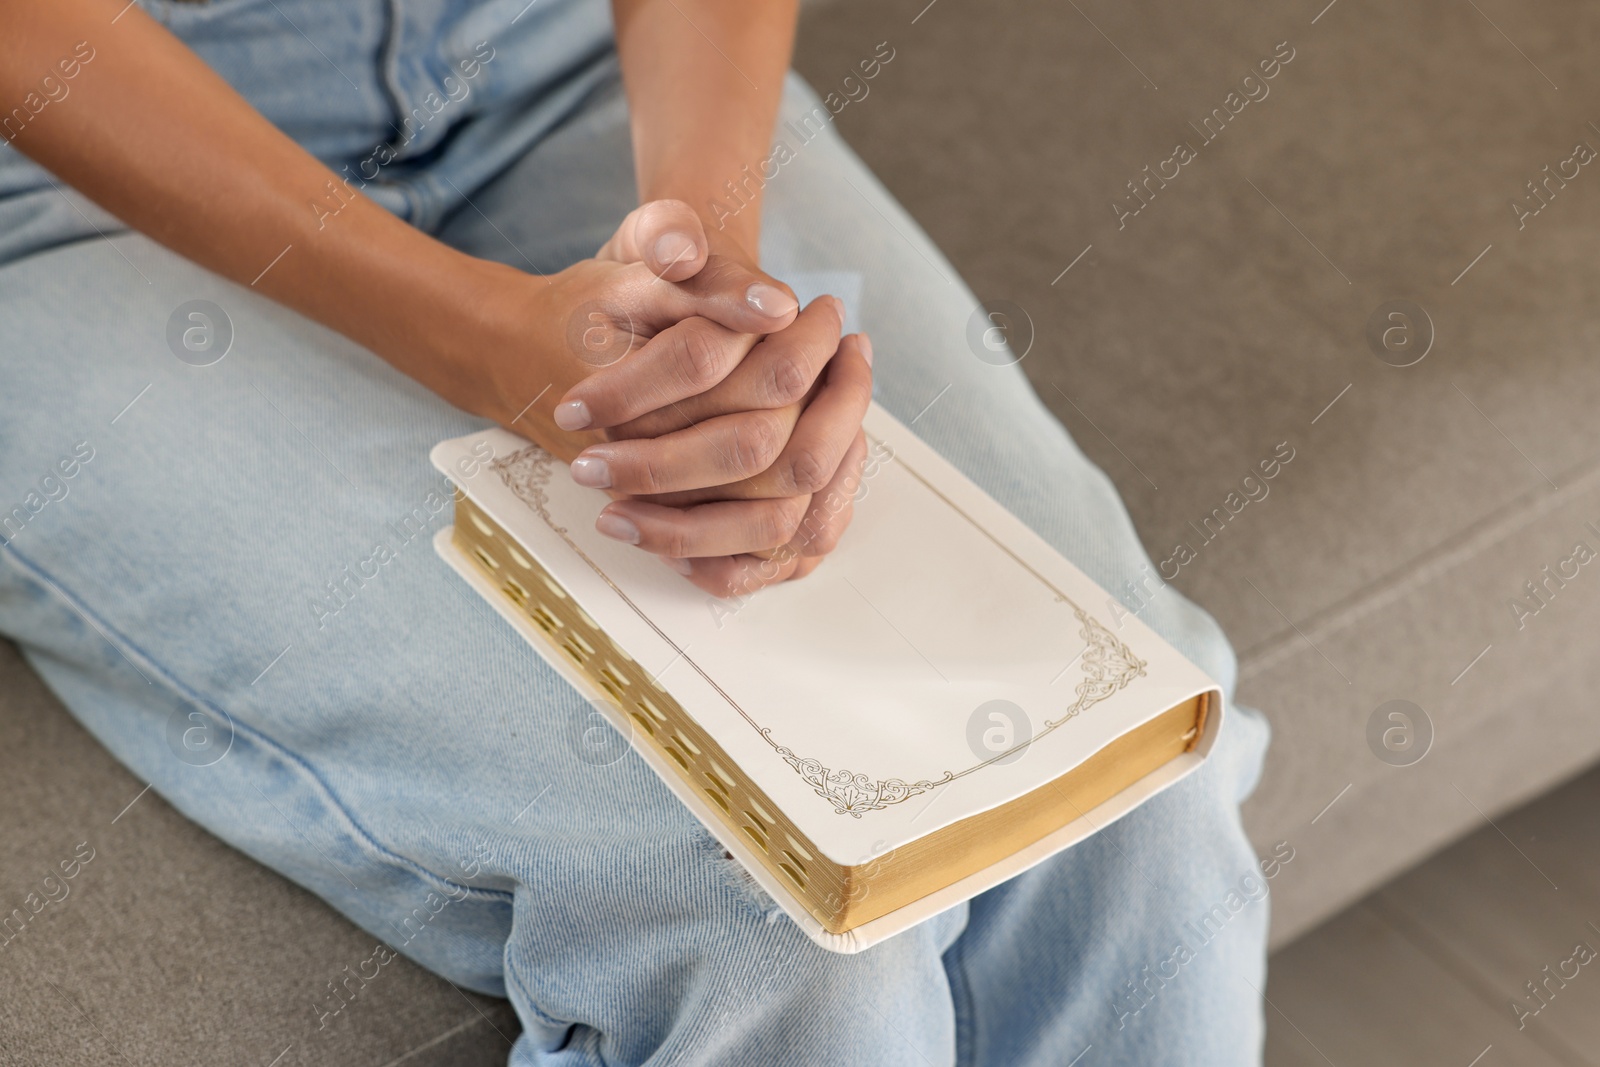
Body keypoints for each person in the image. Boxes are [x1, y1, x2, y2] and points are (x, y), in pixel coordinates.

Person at [0, 0, 1272, 1063]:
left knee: (1123, 758)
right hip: (61, 186)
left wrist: (698, 260)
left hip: (555, 61)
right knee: (754, 894)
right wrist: (477, 334)